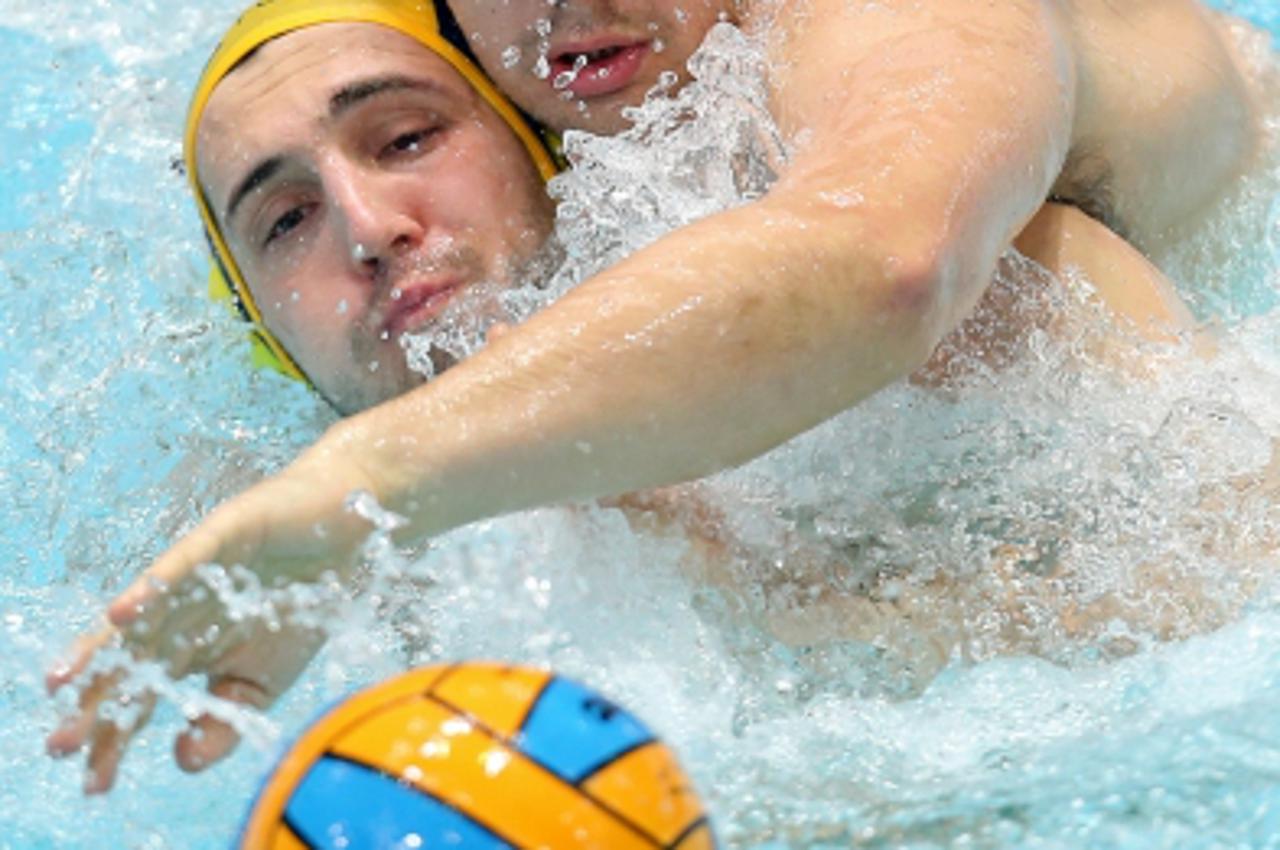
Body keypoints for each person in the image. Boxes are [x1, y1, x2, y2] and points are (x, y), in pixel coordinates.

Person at [47, 0, 1242, 791]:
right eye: (285, 219)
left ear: (548, 179)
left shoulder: (923, 144)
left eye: (407, 137)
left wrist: (360, 484)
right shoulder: (230, 549)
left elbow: (884, 261)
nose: (367, 229)